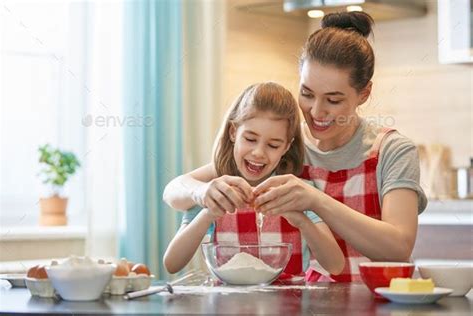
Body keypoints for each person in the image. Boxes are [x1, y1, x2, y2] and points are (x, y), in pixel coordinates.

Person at [163, 12, 427, 282]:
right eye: (307, 94)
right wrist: (202, 193)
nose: (316, 111)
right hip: (311, 305)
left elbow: (397, 248)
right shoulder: (284, 146)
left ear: (364, 94)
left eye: (333, 100)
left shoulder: (392, 150)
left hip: (378, 302)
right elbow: (175, 189)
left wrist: (316, 201)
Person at [163, 82, 345, 279]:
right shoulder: (217, 190)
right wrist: (207, 213)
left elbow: (335, 266)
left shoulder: (297, 191)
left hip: (292, 305)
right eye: (250, 139)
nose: (258, 153)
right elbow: (172, 264)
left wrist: (301, 220)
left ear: (286, 147)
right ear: (233, 132)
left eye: (273, 145)